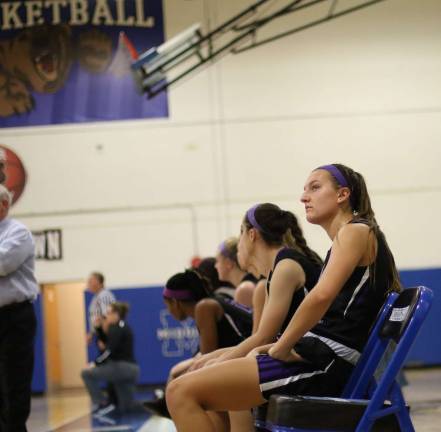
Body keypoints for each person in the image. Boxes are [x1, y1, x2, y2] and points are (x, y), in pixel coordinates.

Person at [166, 165, 401, 432]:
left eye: (314, 187)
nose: (303, 197)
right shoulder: (351, 235)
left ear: (342, 195)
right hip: (324, 355)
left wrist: (281, 346)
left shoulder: (355, 231)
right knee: (202, 390)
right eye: (304, 190)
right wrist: (276, 346)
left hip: (326, 361)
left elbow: (320, 297)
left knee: (179, 392)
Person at [0, 184, 39, 432]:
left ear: (3, 204)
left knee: (15, 383)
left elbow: (2, 263)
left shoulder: (18, 232)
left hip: (15, 318)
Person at [81, 302, 140, 415]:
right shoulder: (122, 326)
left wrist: (95, 363)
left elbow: (108, 351)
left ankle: (101, 403)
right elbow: (107, 343)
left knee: (86, 373)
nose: (106, 316)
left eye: (109, 313)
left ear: (116, 314)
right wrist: (98, 328)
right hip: (131, 369)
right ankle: (152, 407)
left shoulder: (116, 328)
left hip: (121, 367)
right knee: (127, 406)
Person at [215, 237, 258, 307]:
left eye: (217, 261)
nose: (215, 266)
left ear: (228, 263)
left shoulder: (245, 289)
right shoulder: (251, 282)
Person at [86, 272, 115, 346]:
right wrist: (92, 333)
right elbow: (95, 317)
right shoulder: (96, 297)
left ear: (98, 282)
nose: (88, 284)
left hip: (106, 334)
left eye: (90, 281)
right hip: (100, 332)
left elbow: (108, 316)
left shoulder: (104, 295)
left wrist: (104, 337)